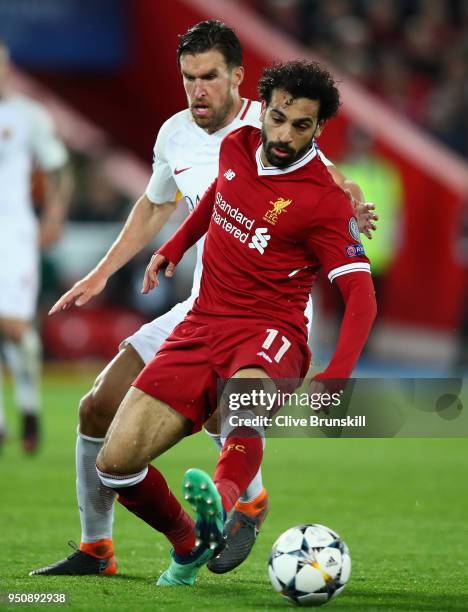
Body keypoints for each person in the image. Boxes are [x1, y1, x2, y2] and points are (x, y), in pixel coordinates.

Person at [30, 21, 376, 577]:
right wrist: (121, 266)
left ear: (239, 78)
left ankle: (241, 500)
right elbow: (167, 202)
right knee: (98, 406)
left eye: (210, 76)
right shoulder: (186, 136)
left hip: (271, 317)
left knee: (234, 410)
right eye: (189, 77)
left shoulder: (271, 127)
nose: (198, 89)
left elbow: (333, 182)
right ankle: (104, 547)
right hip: (202, 305)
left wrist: (354, 206)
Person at [0, 40, 70, 453]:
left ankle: (29, 406)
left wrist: (54, 215)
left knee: (13, 327)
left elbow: (58, 169)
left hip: (13, 234)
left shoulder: (27, 116)